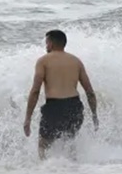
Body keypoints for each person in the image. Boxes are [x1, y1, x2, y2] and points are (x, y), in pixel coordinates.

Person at [23, 29, 98, 158]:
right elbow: (90, 92)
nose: (46, 46)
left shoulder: (43, 61)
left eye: (46, 43)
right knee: (70, 142)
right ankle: (75, 172)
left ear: (51, 43)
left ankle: (47, 172)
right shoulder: (76, 61)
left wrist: (28, 118)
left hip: (54, 107)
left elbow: (35, 91)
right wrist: (94, 114)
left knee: (43, 146)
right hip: (74, 106)